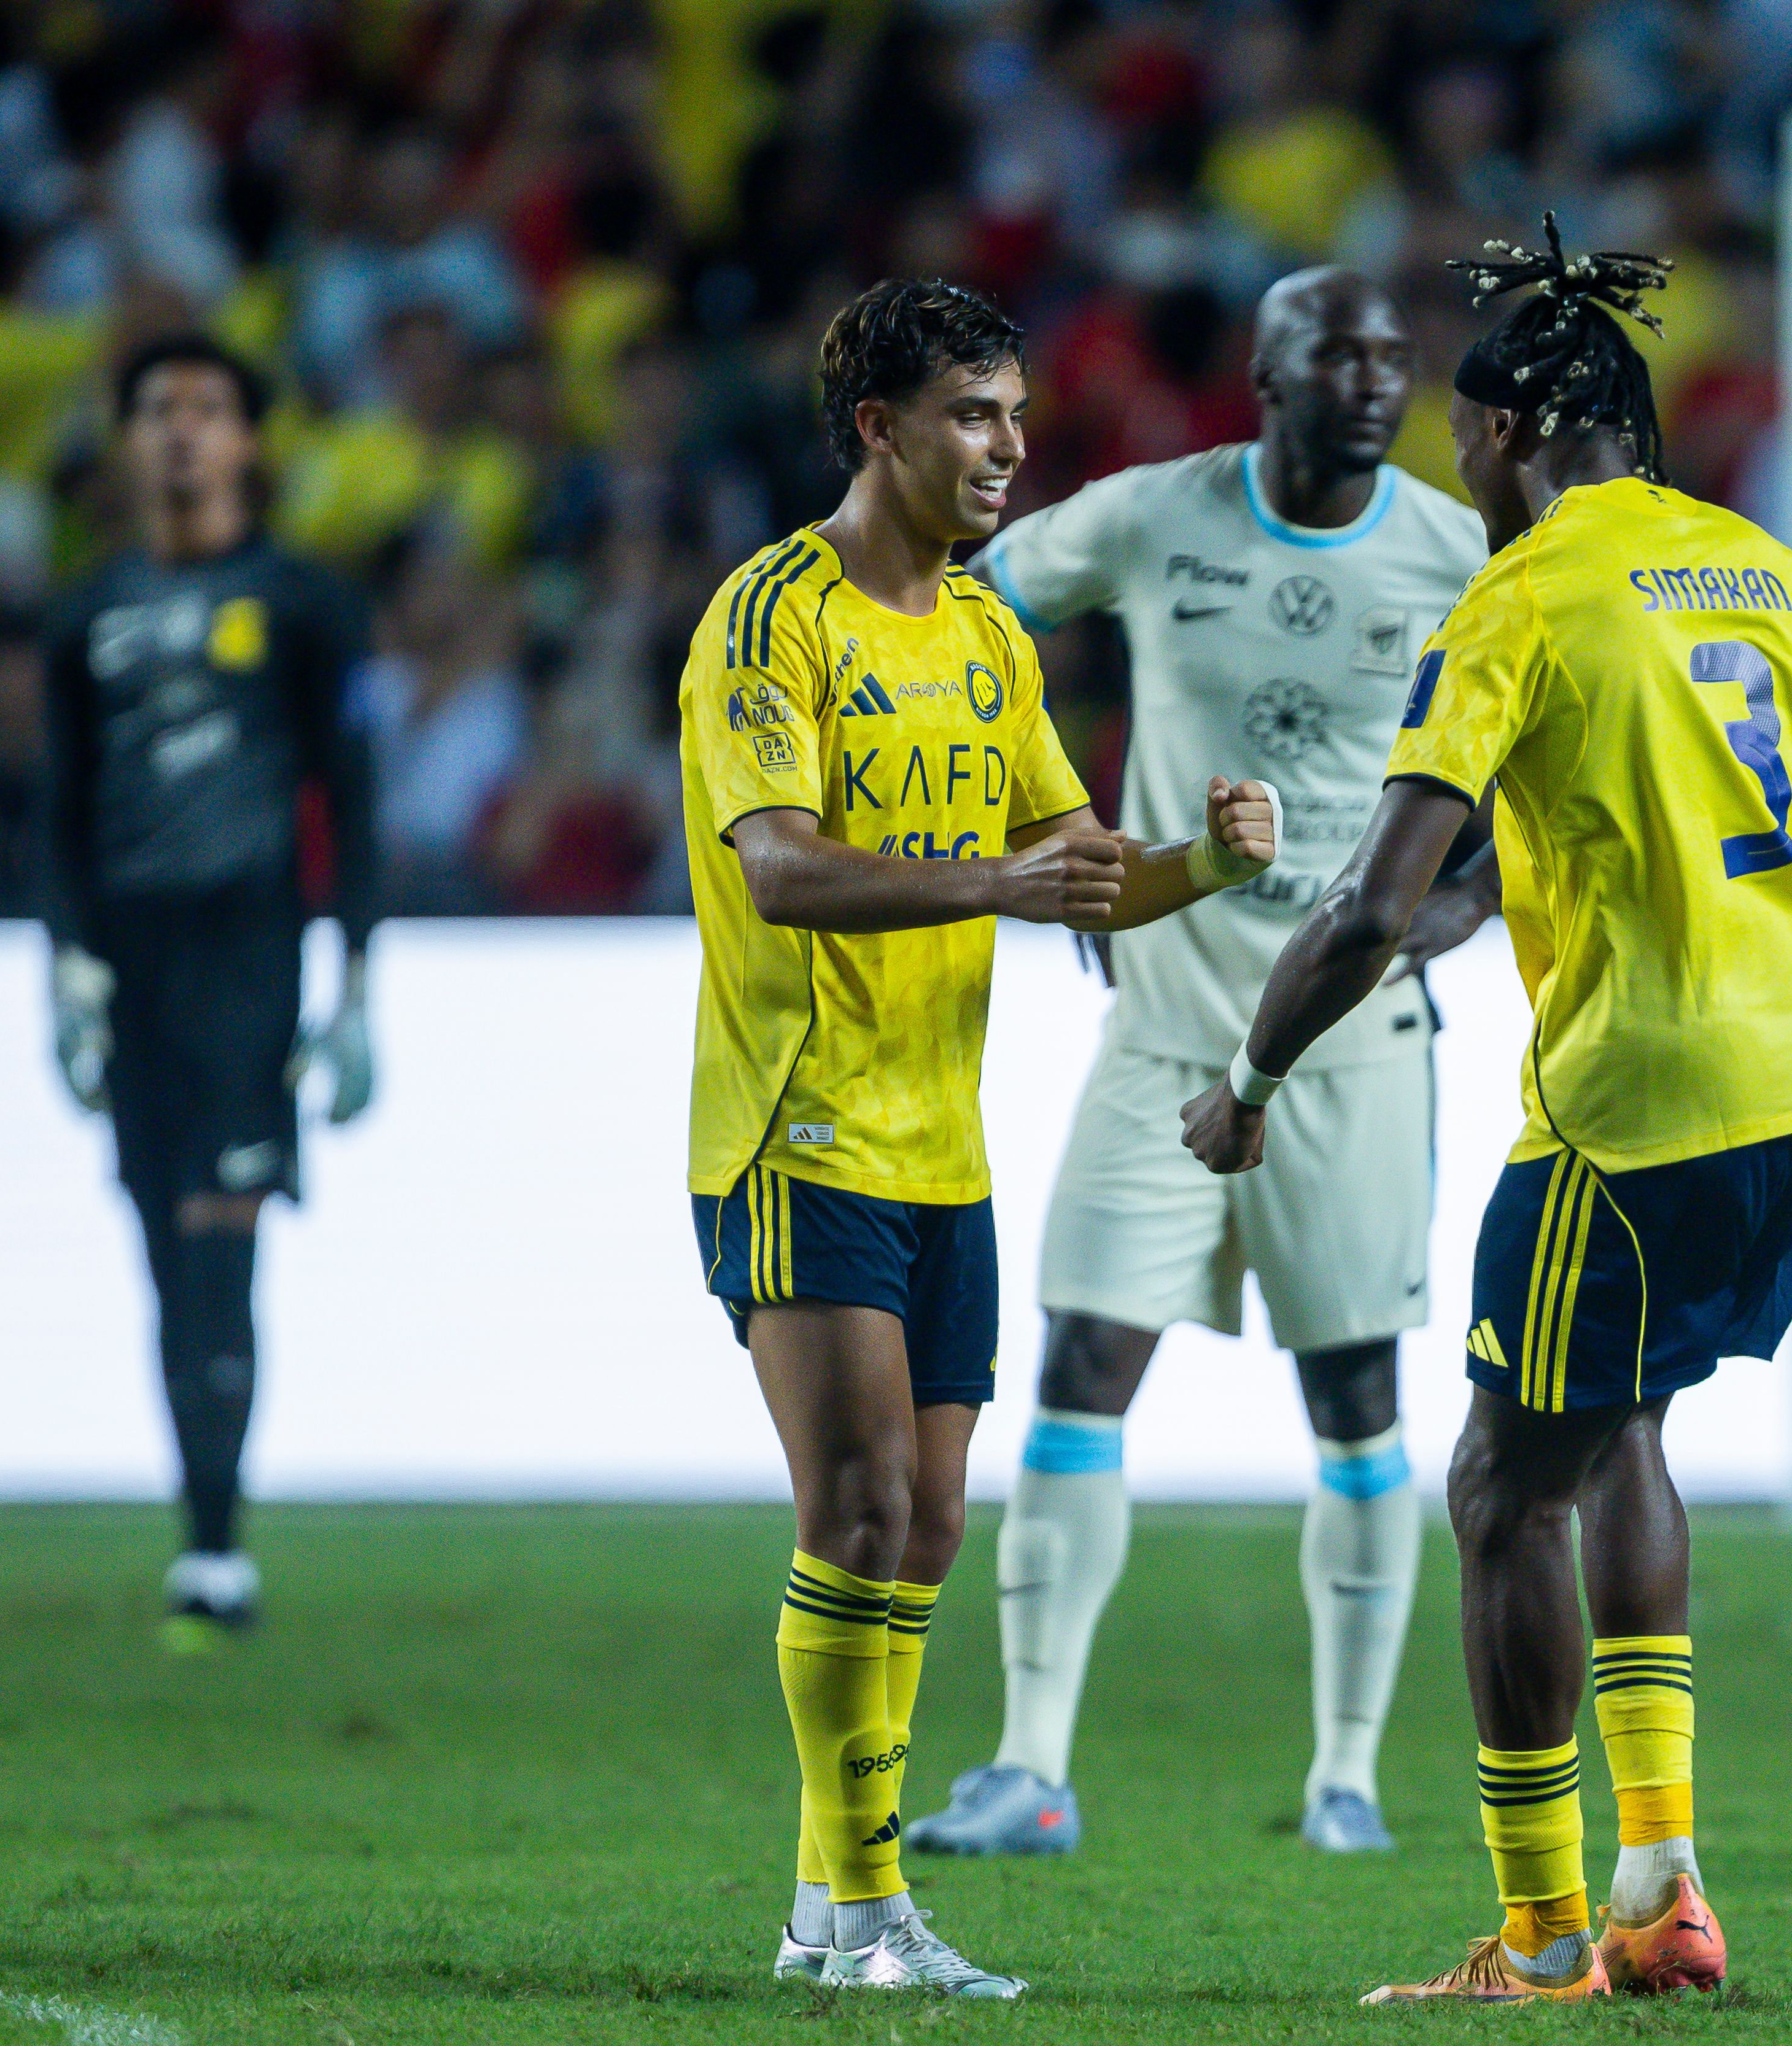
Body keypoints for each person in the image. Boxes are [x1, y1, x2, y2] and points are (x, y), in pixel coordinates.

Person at [1181, 218, 1792, 2003]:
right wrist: (1777, 1019)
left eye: (1464, 437)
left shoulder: (1516, 602)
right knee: (1620, 1435)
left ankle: (1535, 1945)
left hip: (1634, 1109)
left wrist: (1251, 1079)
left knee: (1500, 1488)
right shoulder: (1765, 571)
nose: (1461, 467)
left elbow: (1375, 901)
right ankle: (1664, 1887)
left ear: (1517, 430)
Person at [679, 279, 1279, 2001]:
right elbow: (780, 865)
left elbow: (1076, 866)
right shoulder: (769, 618)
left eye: (1016, 414)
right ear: (877, 428)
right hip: (794, 1127)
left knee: (929, 1523)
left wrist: (1209, 859)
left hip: (942, 1145)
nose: (1014, 446)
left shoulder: (984, 632)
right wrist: (1003, 883)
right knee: (854, 1502)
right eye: (975, 414)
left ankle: (825, 1908)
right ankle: (869, 1914)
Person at [910, 266, 1491, 1862]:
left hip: (1355, 1040)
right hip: (1163, 1018)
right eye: (1338, 353)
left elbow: (1551, 750)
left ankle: (1348, 1776)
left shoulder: (1458, 553)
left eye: (1394, 356)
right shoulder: (1155, 513)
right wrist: (1058, 820)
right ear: (1268, 374)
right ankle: (1030, 1764)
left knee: (1356, 1393)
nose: (1376, 379)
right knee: (1083, 1363)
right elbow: (971, 609)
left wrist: (1470, 897)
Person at [41, 335, 378, 1650]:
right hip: (127, 965)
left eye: (207, 410)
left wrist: (356, 983)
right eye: (157, 410)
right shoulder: (83, 612)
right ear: (126, 443)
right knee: (158, 1257)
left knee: (217, 1238)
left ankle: (216, 1551)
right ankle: (204, 1520)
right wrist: (63, 967)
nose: (181, 432)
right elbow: (60, 810)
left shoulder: (300, 600)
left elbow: (349, 796)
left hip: (249, 958)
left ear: (247, 442)